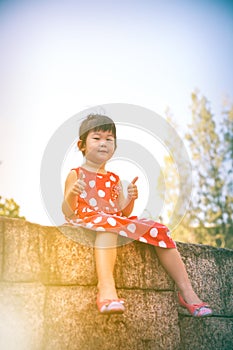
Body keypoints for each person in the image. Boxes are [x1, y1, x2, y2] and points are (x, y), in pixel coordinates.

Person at [62, 114, 213, 316]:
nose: (103, 144)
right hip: (88, 218)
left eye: (109, 139)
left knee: (159, 230)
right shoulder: (76, 173)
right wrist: (73, 193)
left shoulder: (114, 178)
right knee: (109, 226)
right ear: (82, 145)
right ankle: (106, 290)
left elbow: (122, 212)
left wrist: (130, 199)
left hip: (110, 219)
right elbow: (67, 210)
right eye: (96, 138)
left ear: (114, 147)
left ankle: (188, 292)